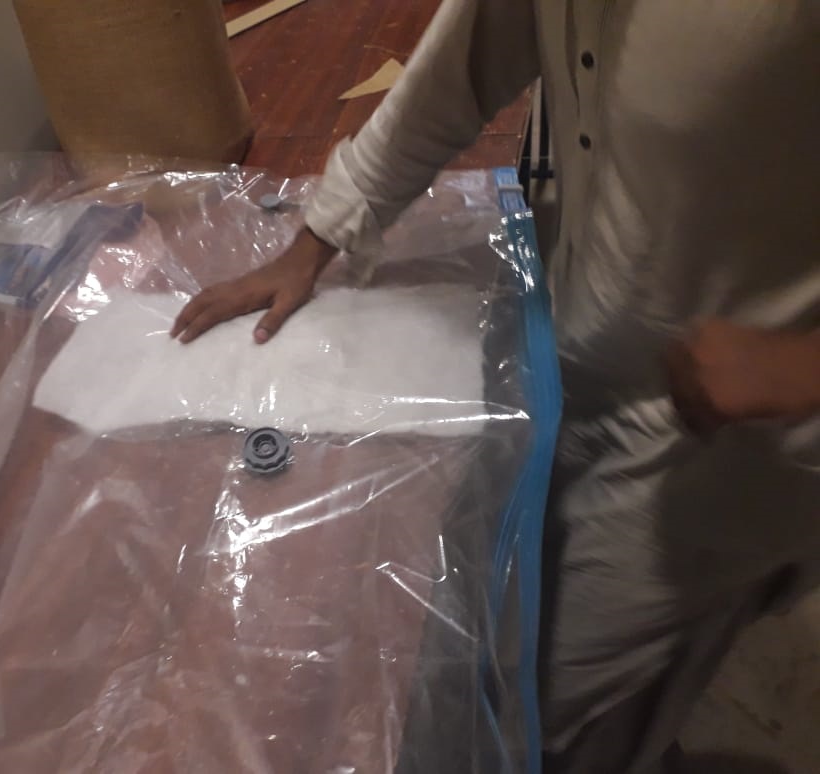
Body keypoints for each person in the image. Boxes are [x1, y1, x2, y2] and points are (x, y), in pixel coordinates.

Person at [173, 1, 820, 771]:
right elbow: (460, 69)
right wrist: (314, 243)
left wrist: (800, 366)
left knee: (545, 702)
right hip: (571, 341)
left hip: (724, 437)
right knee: (496, 619)